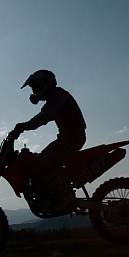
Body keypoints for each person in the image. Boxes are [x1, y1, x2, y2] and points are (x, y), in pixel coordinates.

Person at [11, 70, 86, 213]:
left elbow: (44, 117)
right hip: (66, 138)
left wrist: (24, 126)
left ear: (43, 85)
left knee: (41, 162)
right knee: (37, 160)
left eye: (35, 87)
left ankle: (66, 198)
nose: (34, 91)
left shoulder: (58, 97)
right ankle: (52, 194)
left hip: (72, 138)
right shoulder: (56, 96)